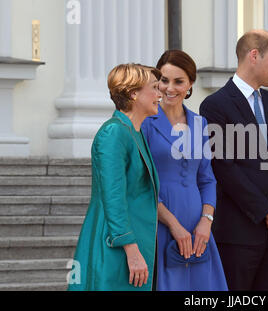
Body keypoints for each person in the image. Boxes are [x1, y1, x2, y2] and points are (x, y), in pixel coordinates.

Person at [199, 30, 268, 290]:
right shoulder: (215, 105)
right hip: (237, 234)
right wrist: (265, 211)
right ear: (254, 56)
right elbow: (224, 168)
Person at [68, 63, 162, 291]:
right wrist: (131, 249)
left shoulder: (133, 131)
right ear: (133, 93)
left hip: (132, 245)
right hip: (115, 247)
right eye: (155, 87)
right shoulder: (114, 132)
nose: (160, 94)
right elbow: (113, 197)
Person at [141, 50, 228, 291]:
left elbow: (207, 179)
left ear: (190, 84)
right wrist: (174, 226)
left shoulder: (199, 123)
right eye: (164, 80)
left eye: (178, 81)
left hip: (197, 224)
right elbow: (142, 183)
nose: (170, 88)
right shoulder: (146, 122)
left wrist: (206, 221)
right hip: (159, 221)